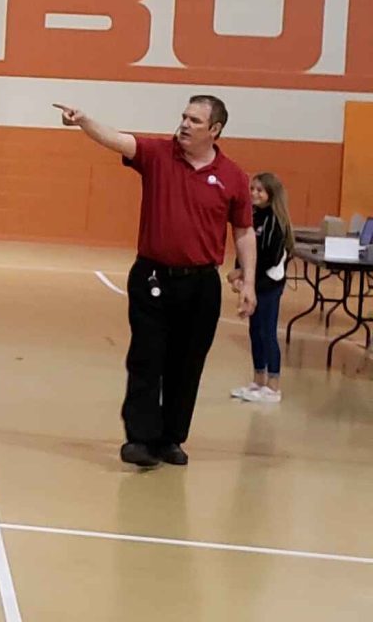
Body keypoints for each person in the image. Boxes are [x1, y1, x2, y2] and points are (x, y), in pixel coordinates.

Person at [55, 96, 257, 468]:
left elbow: (243, 231)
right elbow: (117, 139)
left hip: (201, 285)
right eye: (183, 116)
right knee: (147, 358)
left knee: (187, 364)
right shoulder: (158, 155)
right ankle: (139, 440)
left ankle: (170, 438)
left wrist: (249, 282)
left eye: (194, 120)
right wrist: (84, 121)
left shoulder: (233, 177)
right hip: (152, 277)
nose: (184, 124)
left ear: (214, 130)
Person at [230, 173, 295, 404]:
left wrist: (243, 273)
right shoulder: (253, 217)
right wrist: (239, 271)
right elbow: (244, 248)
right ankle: (258, 380)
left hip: (270, 283)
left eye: (260, 190)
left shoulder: (277, 222)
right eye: (252, 188)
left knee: (267, 332)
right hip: (254, 282)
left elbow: (269, 257)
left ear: (271, 194)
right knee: (254, 331)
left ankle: (273, 385)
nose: (254, 193)